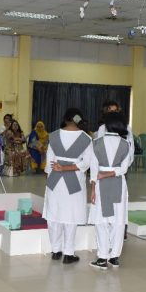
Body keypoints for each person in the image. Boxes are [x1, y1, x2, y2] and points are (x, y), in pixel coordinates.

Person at [43, 108, 94, 264]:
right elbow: (86, 163)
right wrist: (68, 167)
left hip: (54, 181)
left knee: (54, 215)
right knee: (70, 217)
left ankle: (55, 250)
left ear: (65, 119)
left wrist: (57, 170)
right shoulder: (86, 138)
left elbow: (49, 162)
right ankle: (68, 253)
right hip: (74, 182)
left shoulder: (53, 135)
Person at [89, 112, 131, 270]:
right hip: (119, 184)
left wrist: (93, 189)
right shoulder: (126, 144)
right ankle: (114, 257)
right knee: (118, 221)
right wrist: (111, 173)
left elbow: (94, 169)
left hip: (101, 184)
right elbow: (124, 169)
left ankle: (102, 258)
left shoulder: (96, 143)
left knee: (102, 221)